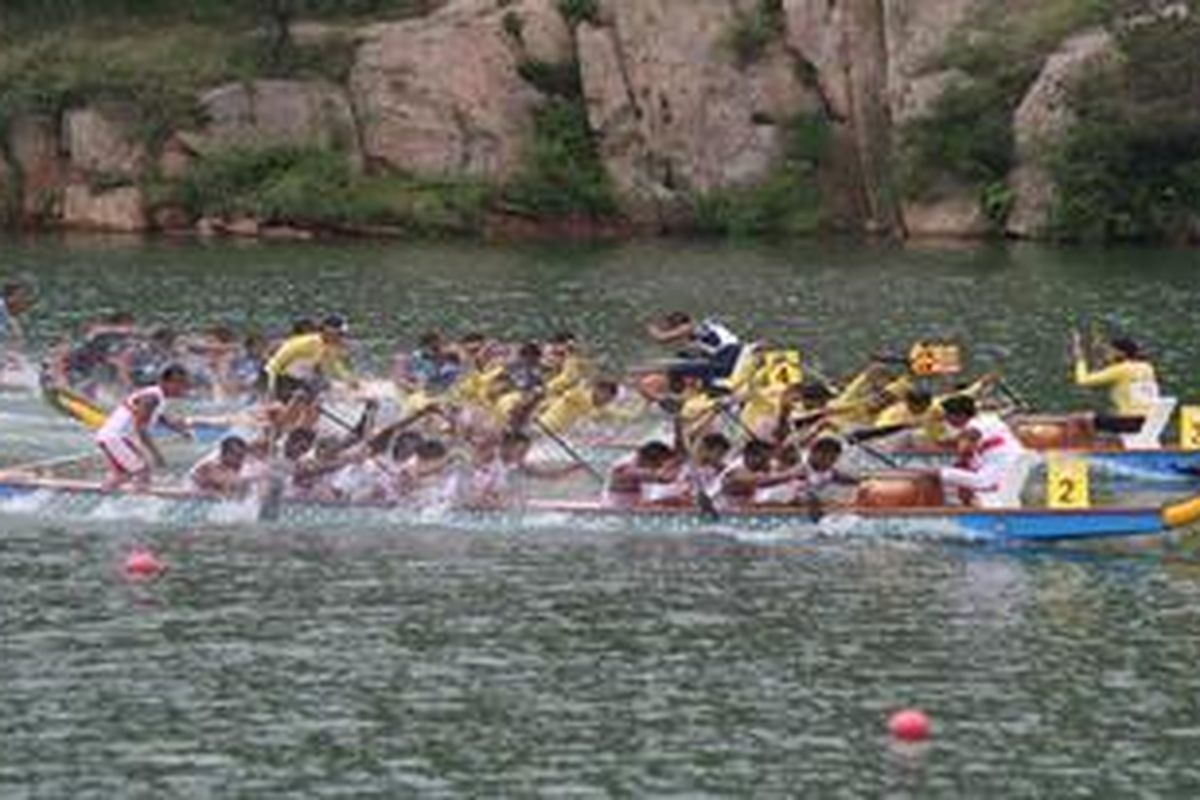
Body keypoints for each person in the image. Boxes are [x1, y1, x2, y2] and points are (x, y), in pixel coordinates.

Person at [94, 364, 192, 489]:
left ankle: (101, 496)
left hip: (117, 438)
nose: (183, 389)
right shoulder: (151, 398)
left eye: (185, 385)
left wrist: (179, 430)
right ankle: (139, 502)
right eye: (180, 384)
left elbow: (160, 417)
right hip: (115, 437)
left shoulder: (157, 396)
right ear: (165, 382)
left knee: (124, 475)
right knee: (142, 471)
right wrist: (156, 454)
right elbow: (140, 428)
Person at [935, 395, 1027, 508]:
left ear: (961, 415)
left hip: (1007, 464)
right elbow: (960, 440)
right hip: (1013, 462)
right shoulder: (988, 418)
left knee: (946, 474)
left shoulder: (974, 427)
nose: (946, 420)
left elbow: (964, 449)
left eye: (948, 415)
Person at [1073, 332, 1160, 430]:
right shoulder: (1147, 367)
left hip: (1130, 422)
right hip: (1151, 420)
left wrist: (1080, 359)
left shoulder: (1121, 370)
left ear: (1121, 353)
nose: (1107, 354)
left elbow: (1083, 381)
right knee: (1107, 414)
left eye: (1110, 351)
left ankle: (1082, 445)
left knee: (1081, 420)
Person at [262, 314, 355, 401]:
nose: (341, 338)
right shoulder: (304, 342)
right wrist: (270, 390)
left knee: (322, 387)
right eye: (339, 334)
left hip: (302, 381)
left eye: (342, 334)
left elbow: (335, 366)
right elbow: (273, 366)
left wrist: (349, 380)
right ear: (328, 330)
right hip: (282, 380)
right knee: (305, 393)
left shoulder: (330, 347)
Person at [647, 312, 743, 387]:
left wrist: (649, 325)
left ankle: (677, 397)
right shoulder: (706, 328)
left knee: (674, 369)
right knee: (685, 360)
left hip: (728, 356)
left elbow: (661, 338)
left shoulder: (689, 326)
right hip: (736, 353)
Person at [187, 436, 251, 497]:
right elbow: (193, 483)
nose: (240, 460)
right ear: (225, 454)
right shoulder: (210, 467)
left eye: (242, 456)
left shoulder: (245, 472)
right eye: (238, 456)